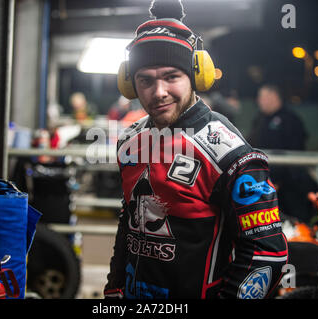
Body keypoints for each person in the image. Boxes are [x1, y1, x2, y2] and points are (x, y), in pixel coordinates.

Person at [104, 0, 288, 299]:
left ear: (195, 77)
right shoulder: (130, 142)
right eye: (145, 80)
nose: (158, 91)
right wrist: (113, 288)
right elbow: (128, 222)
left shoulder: (230, 153)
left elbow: (267, 253)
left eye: (171, 76)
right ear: (130, 85)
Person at [248, 84, 318, 223]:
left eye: (262, 97)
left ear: (273, 97)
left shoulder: (290, 120)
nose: (259, 101)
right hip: (262, 182)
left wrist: (277, 180)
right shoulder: (259, 119)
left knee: (293, 223)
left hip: (288, 185)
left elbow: (295, 154)